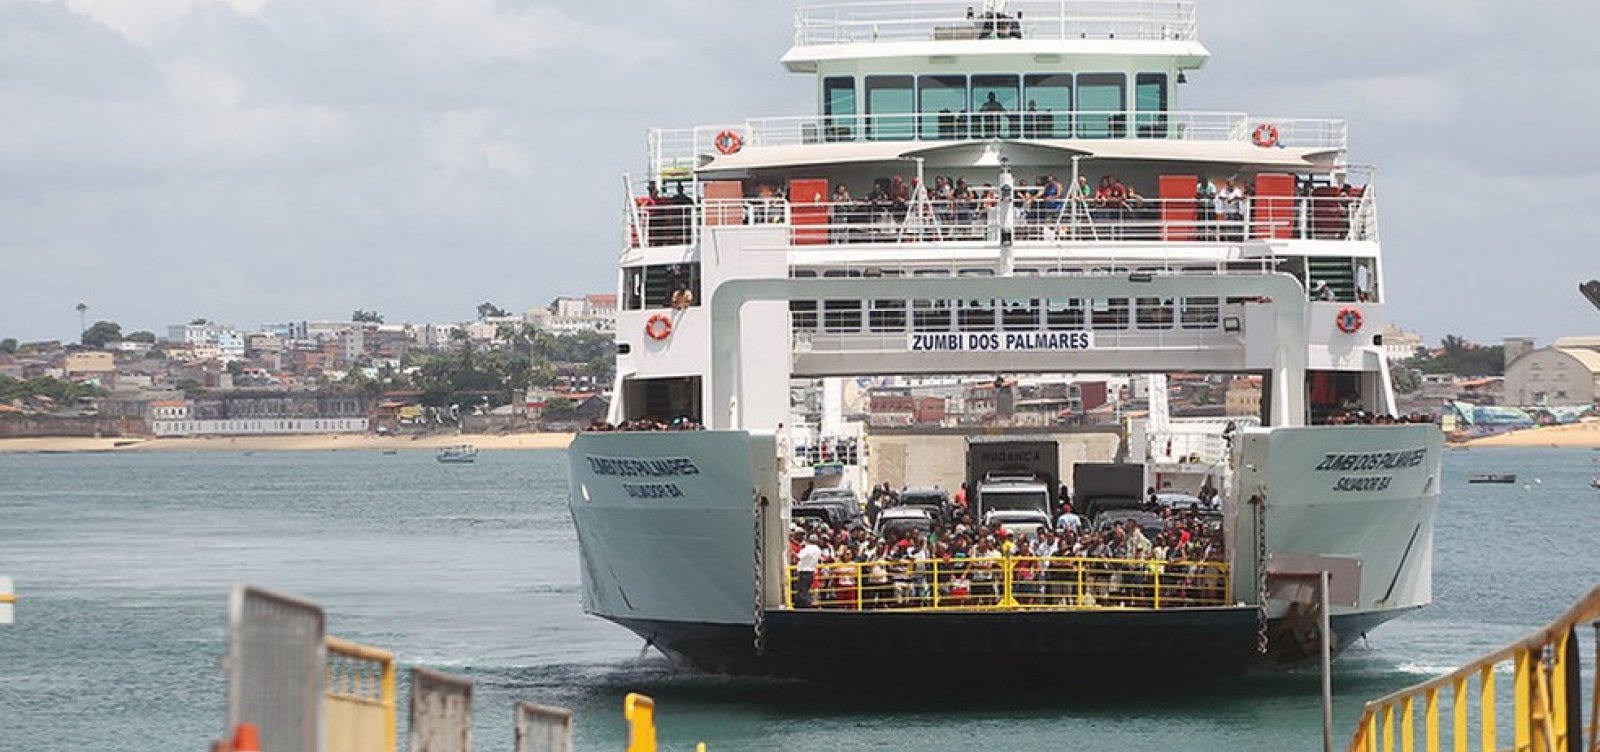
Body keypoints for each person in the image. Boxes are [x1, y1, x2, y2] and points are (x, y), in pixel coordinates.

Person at [794, 535, 823, 608]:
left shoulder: (807, 548)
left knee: (802, 591)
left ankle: (806, 606)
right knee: (805, 590)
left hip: (804, 571)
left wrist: (792, 552)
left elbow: (799, 557)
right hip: (811, 572)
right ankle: (805, 605)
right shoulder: (818, 549)